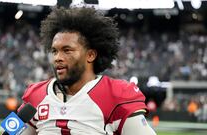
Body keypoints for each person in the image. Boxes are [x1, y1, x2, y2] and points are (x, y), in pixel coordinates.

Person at [19, 7, 156, 135]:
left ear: (90, 55)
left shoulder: (116, 95)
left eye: (67, 50)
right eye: (54, 51)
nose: (58, 58)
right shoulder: (35, 95)